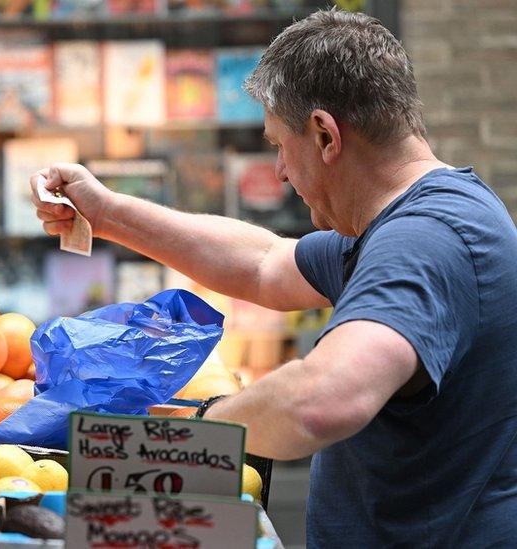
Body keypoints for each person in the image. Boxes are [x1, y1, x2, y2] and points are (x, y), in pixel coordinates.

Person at [31, 9, 517, 547]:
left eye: (280, 146)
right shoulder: (406, 224)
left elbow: (322, 399)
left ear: (326, 135)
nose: (281, 172)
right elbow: (263, 264)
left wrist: (177, 439)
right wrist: (106, 213)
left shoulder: (424, 241)